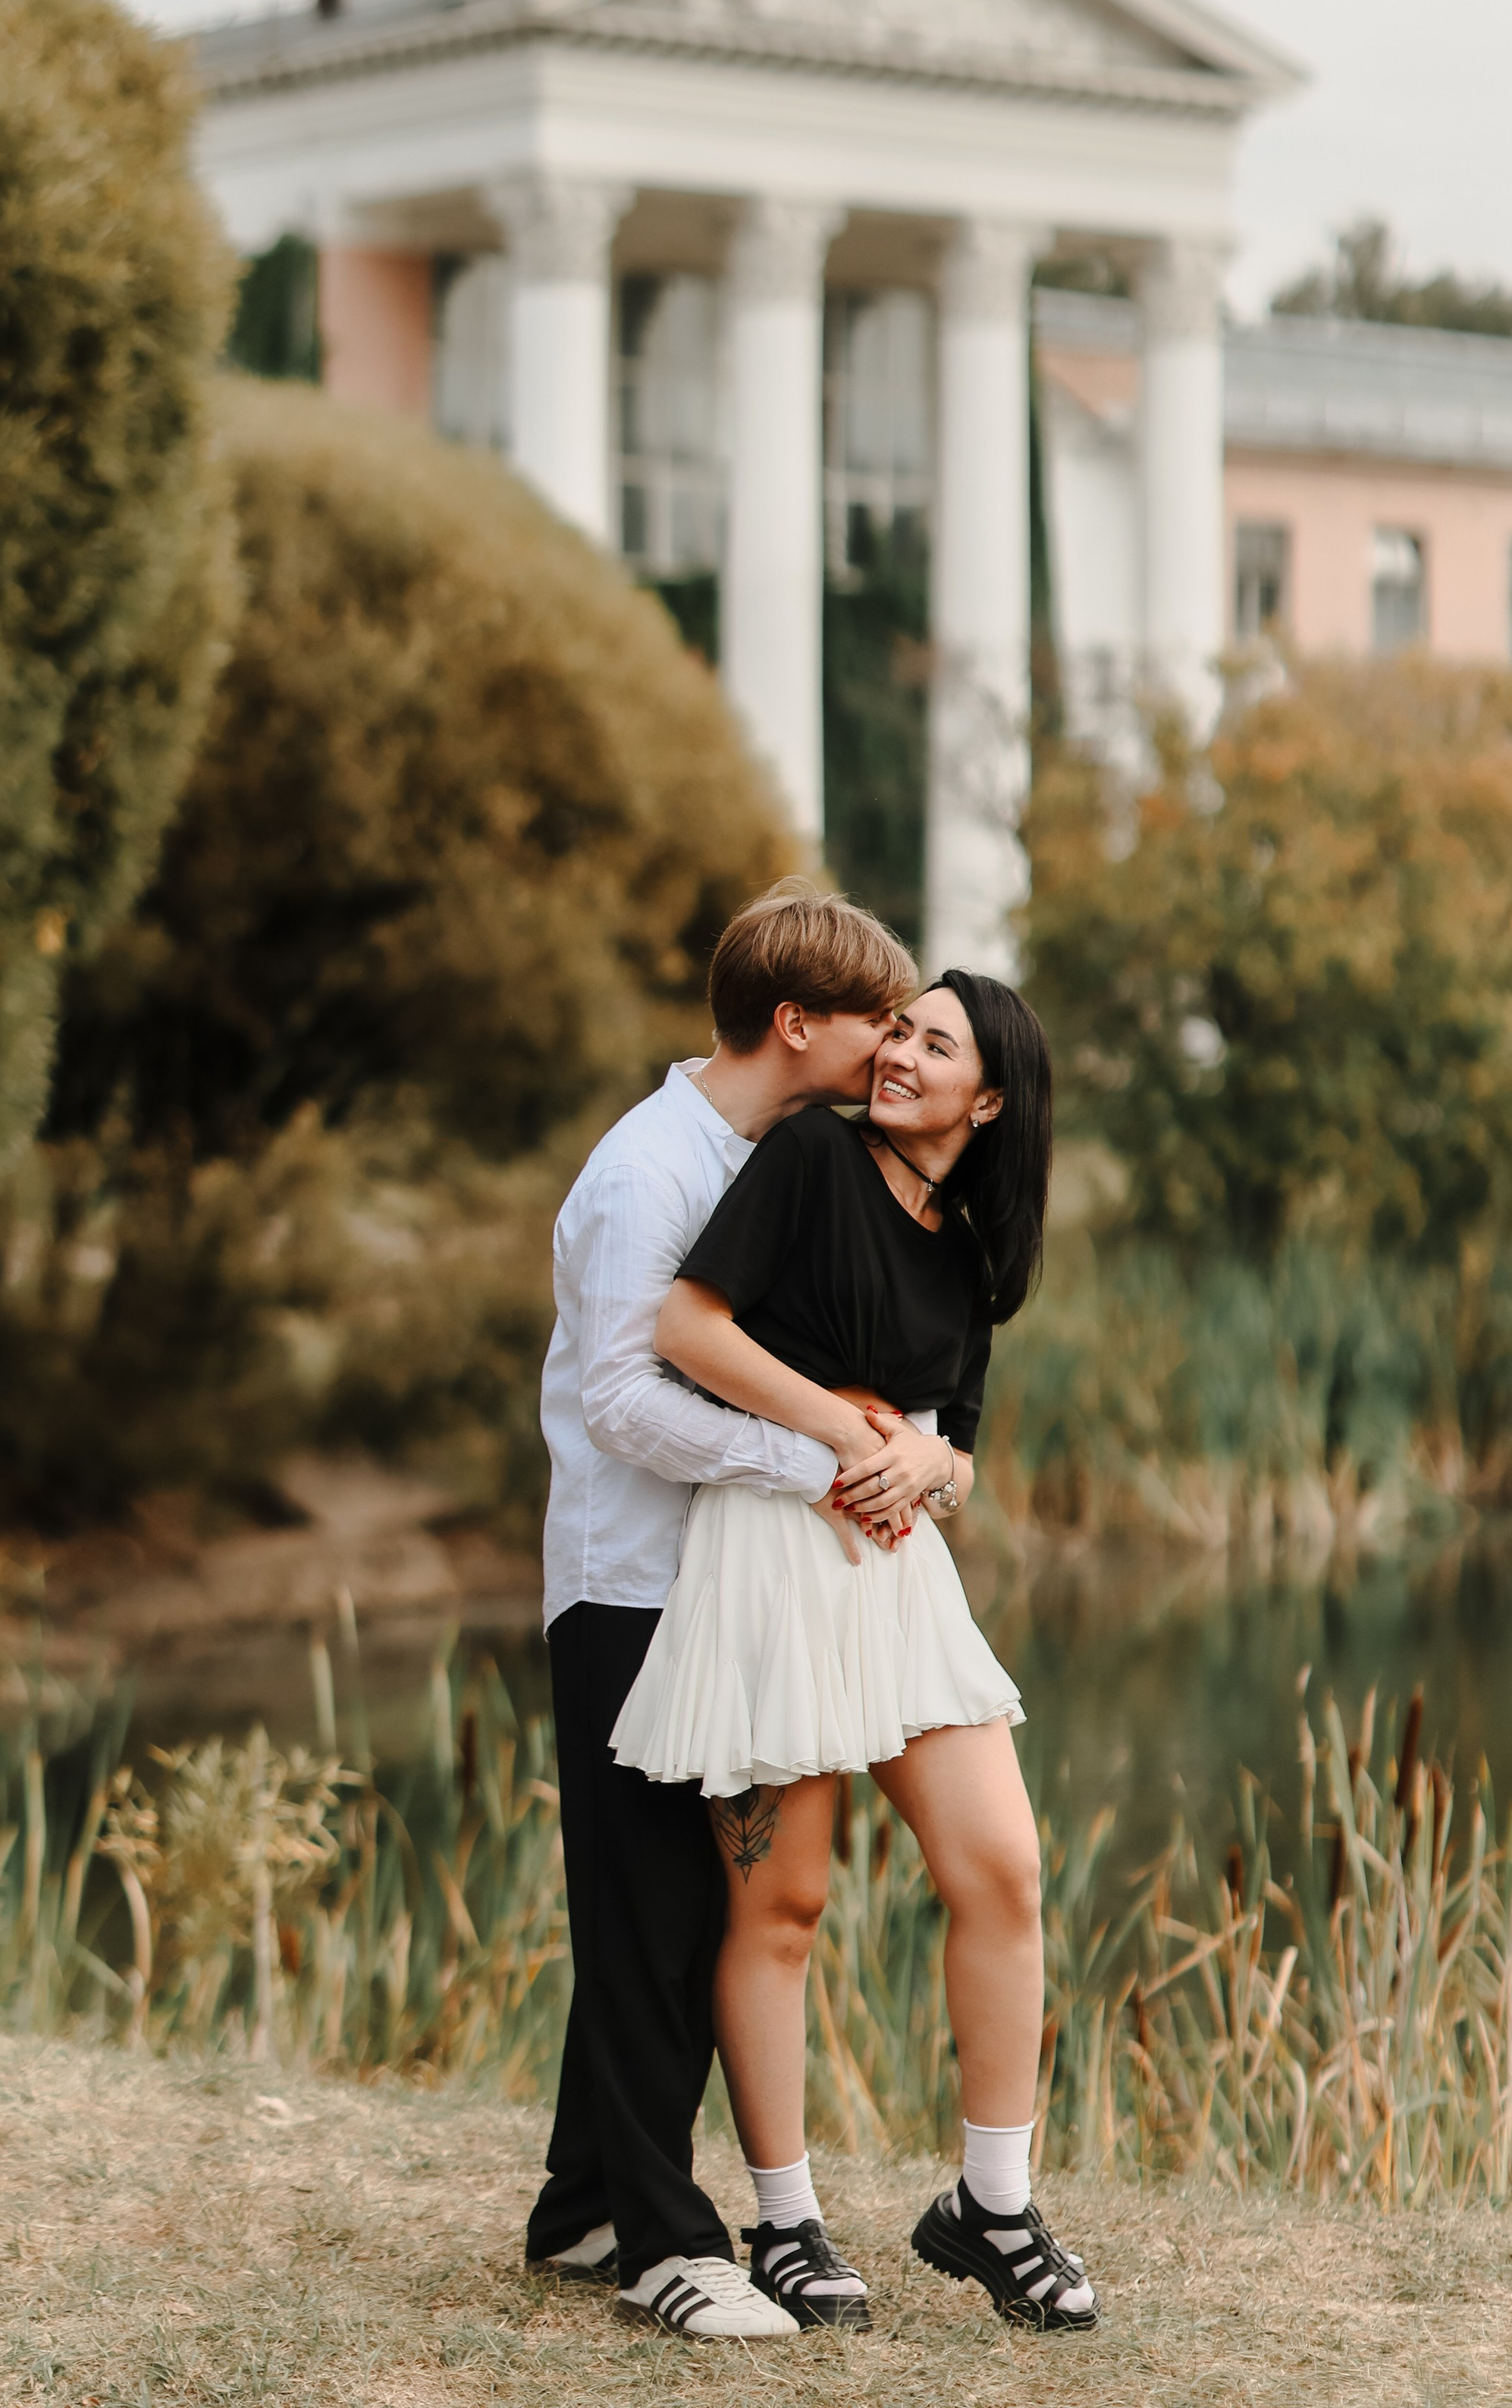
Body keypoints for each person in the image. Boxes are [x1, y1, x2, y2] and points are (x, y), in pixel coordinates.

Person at [613, 969, 1100, 2334]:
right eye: (898, 1031)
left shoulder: (975, 1245)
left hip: (898, 1586)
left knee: (1002, 1866)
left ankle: (991, 2207)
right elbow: (685, 1329)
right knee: (787, 1904)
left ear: (988, 1098)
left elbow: (956, 1454)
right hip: (767, 1559)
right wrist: (845, 1431)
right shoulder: (813, 1160)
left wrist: (924, 1468)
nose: (896, 1054)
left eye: (932, 1044)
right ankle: (788, 2225)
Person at [523, 881, 918, 2343]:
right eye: (877, 1021)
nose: (893, 1045)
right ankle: (666, 2248)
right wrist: (809, 1461)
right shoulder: (648, 1170)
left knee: (676, 1905)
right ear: (794, 1024)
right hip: (627, 1585)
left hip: (702, 1587)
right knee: (652, 1908)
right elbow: (625, 1400)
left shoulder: (762, 1160)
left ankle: (581, 2208)